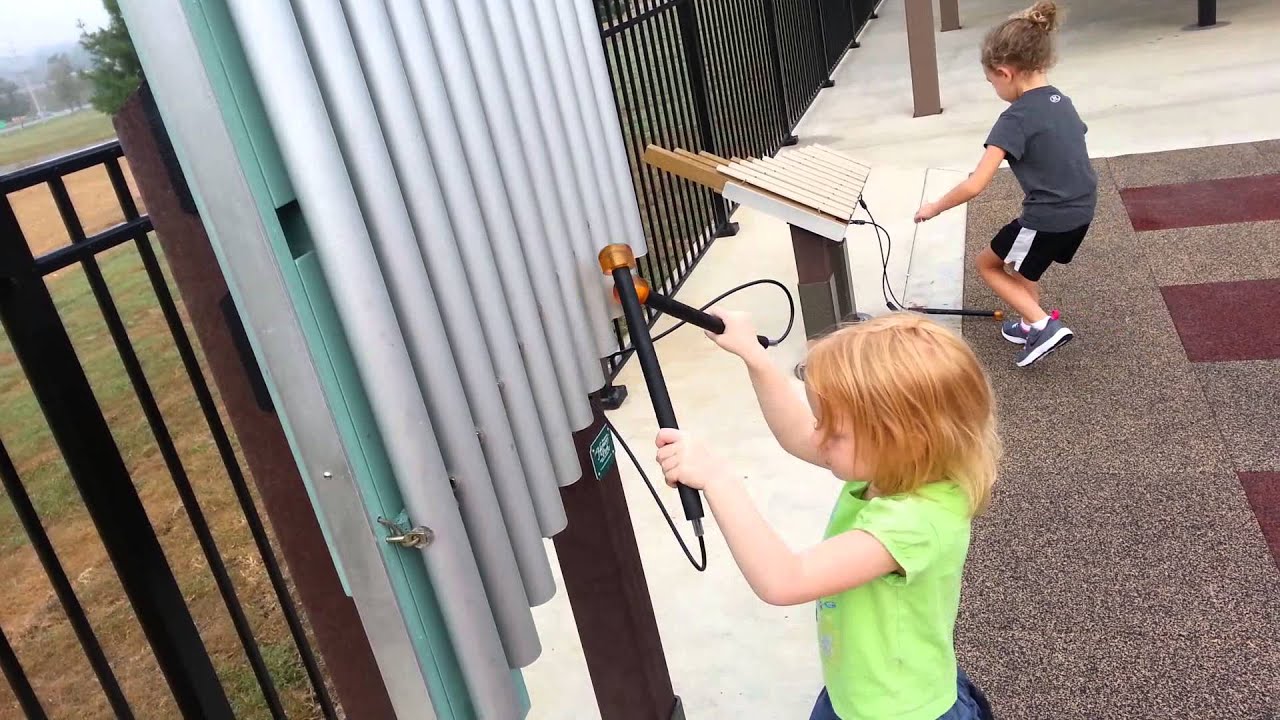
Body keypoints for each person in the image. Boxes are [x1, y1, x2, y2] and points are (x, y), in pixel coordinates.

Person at [655, 310, 999, 719]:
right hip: (863, 692)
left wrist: (717, 477)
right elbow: (798, 434)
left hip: (896, 710)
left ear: (905, 440)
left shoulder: (916, 522)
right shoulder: (896, 472)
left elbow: (785, 581)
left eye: (833, 432)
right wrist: (755, 357)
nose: (817, 436)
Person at [914, 0, 1096, 368]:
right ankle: (1032, 324)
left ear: (1004, 72)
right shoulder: (1062, 101)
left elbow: (975, 184)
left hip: (1048, 216)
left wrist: (933, 207)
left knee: (988, 265)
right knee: (1024, 268)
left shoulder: (1014, 119)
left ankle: (1044, 325)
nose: (994, 88)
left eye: (991, 82)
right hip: (1083, 207)